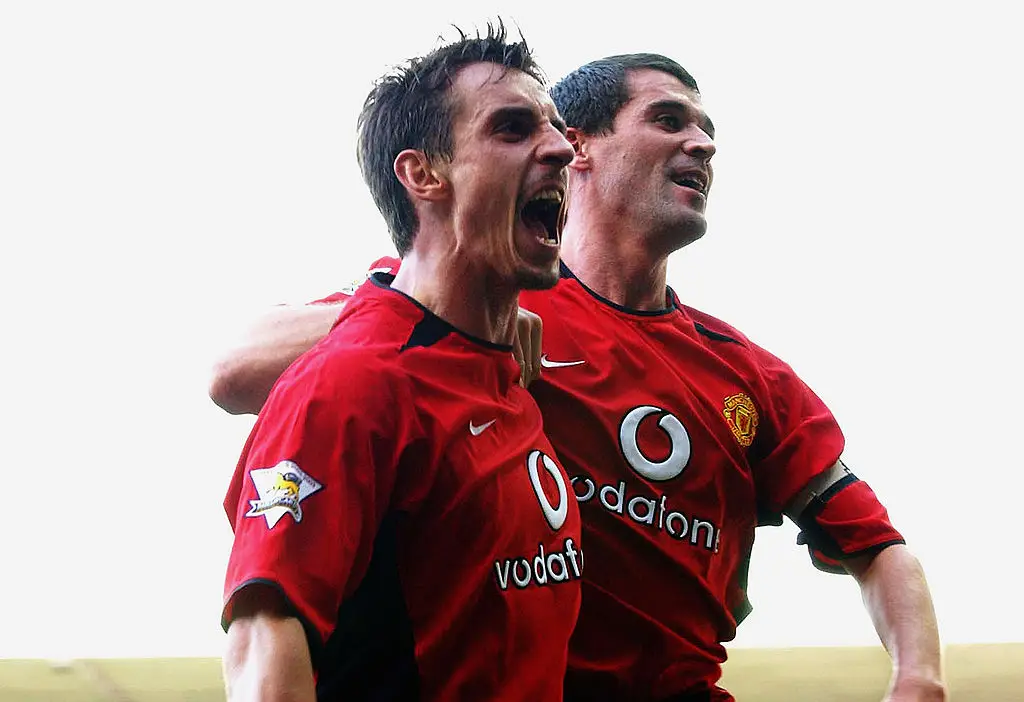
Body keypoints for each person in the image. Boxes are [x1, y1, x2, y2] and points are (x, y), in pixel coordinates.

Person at [211, 53, 946, 702]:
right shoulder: (457, 311)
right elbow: (236, 369)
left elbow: (878, 543)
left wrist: (917, 675)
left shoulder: (744, 375)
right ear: (586, 146)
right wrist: (467, 330)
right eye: (668, 119)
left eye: (706, 127)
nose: (703, 142)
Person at [219, 23, 583, 702]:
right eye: (512, 129)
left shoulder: (502, 369)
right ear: (423, 174)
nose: (562, 149)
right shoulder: (352, 381)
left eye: (557, 129)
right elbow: (264, 653)